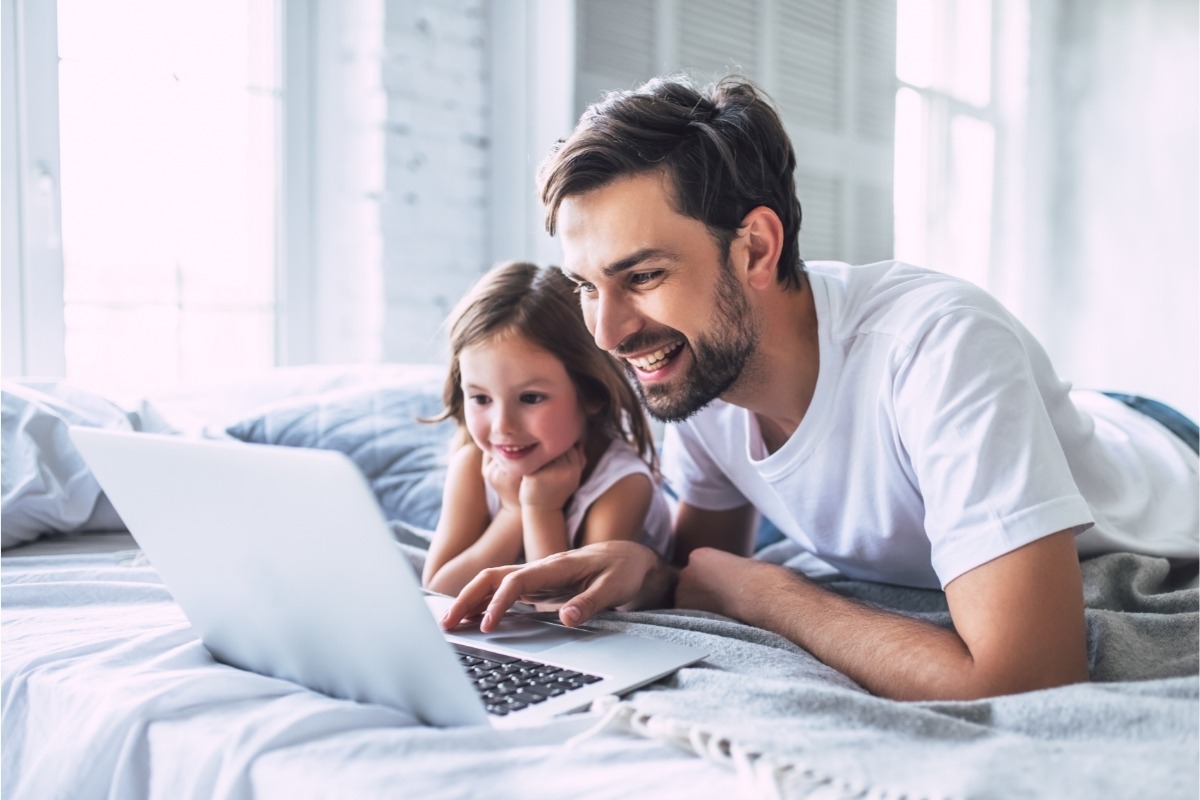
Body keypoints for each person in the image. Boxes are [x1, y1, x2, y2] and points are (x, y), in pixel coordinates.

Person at [439, 75, 1200, 702]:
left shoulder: (940, 347)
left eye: (643, 276)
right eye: (585, 287)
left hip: (1158, 458)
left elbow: (1029, 677)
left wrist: (764, 593)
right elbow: (701, 569)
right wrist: (650, 571)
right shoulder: (694, 369)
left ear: (757, 248)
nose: (606, 334)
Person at [421, 260, 672, 596]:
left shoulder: (623, 486)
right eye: (481, 399)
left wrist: (541, 510)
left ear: (591, 393)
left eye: (530, 398)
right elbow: (438, 589)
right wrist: (512, 513)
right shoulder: (473, 464)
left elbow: (566, 613)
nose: (502, 426)